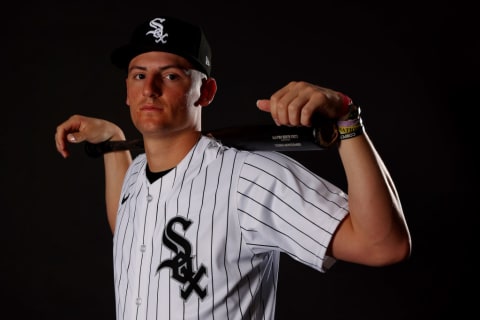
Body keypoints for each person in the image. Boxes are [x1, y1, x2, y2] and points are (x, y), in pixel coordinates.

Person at [55, 15, 411, 320]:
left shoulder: (249, 179)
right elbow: (130, 232)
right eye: (138, 75)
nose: (150, 89)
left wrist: (348, 121)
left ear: (205, 92)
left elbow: (383, 245)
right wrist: (113, 141)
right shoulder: (136, 174)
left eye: (172, 76)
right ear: (127, 91)